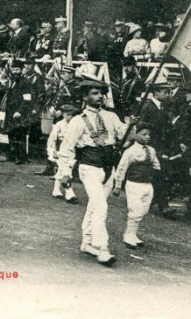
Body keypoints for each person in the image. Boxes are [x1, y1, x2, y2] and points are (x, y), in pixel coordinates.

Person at [58, 78, 131, 266]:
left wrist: (131, 125)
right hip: (89, 167)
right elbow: (67, 148)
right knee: (100, 207)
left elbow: (124, 136)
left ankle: (87, 242)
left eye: (101, 93)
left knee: (95, 206)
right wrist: (65, 172)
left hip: (109, 168)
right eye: (94, 93)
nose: (99, 97)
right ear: (85, 96)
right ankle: (103, 248)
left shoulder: (111, 117)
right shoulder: (77, 121)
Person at [113, 123, 161, 249]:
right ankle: (128, 235)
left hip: (147, 184)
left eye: (149, 135)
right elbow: (122, 168)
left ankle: (133, 234)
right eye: (144, 134)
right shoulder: (130, 151)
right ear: (135, 135)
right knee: (135, 210)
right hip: (134, 184)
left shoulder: (151, 150)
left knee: (143, 210)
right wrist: (118, 185)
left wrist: (154, 173)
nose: (147, 137)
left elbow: (156, 164)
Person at [139, 79, 176, 218]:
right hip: (151, 146)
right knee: (158, 175)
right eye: (165, 92)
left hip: (161, 147)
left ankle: (155, 203)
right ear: (156, 92)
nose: (168, 94)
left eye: (169, 92)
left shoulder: (162, 107)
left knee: (159, 176)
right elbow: (142, 127)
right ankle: (163, 206)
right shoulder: (148, 107)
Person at [47, 104, 80, 203]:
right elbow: (52, 138)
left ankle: (56, 190)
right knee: (66, 171)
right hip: (60, 150)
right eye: (68, 114)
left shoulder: (76, 125)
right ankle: (69, 193)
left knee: (62, 169)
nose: (70, 117)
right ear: (63, 114)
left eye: (72, 115)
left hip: (72, 150)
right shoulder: (59, 124)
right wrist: (53, 151)